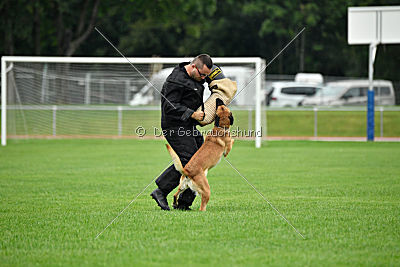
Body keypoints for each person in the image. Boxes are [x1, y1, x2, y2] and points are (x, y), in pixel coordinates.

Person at [150, 54, 213, 210]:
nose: (204, 78)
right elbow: (169, 107)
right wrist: (192, 114)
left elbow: (209, 78)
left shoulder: (196, 75)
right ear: (193, 67)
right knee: (191, 162)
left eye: (207, 75)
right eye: (202, 75)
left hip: (188, 126)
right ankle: (161, 191)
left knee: (200, 158)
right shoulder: (175, 80)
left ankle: (183, 203)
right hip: (174, 127)